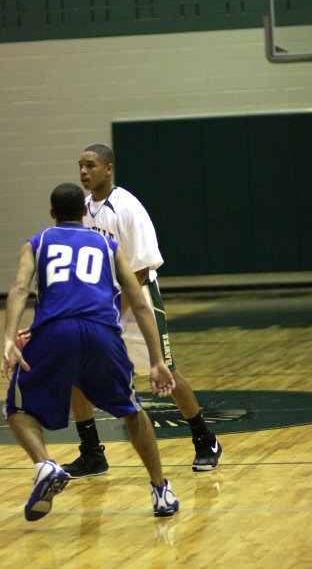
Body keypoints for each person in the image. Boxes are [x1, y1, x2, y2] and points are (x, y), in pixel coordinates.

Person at [1, 182, 179, 521]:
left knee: (17, 408)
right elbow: (140, 304)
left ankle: (45, 465)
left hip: (55, 331)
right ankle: (160, 490)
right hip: (102, 332)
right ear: (84, 212)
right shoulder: (108, 246)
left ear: (52, 214)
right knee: (131, 409)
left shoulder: (35, 243)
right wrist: (157, 361)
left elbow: (19, 288)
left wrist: (9, 338)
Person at [61, 144, 223, 478]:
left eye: (90, 165)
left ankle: (205, 439)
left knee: (166, 374)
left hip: (139, 303)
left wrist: (108, 310)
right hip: (101, 305)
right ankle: (92, 452)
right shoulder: (83, 210)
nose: (83, 172)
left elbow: (139, 273)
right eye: (80, 166)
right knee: (76, 374)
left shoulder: (128, 207)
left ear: (109, 168)